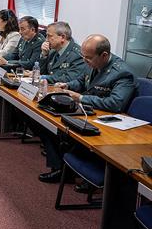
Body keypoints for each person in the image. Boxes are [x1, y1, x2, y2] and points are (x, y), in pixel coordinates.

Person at [36, 34, 137, 183]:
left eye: (88, 58)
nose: (85, 61)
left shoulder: (122, 73)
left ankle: (65, 171)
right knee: (48, 122)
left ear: (104, 55)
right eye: (84, 56)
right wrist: (68, 86)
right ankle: (62, 168)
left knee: (62, 130)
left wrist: (81, 98)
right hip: (89, 112)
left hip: (109, 122)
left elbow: (115, 103)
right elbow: (82, 81)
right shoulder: (92, 62)